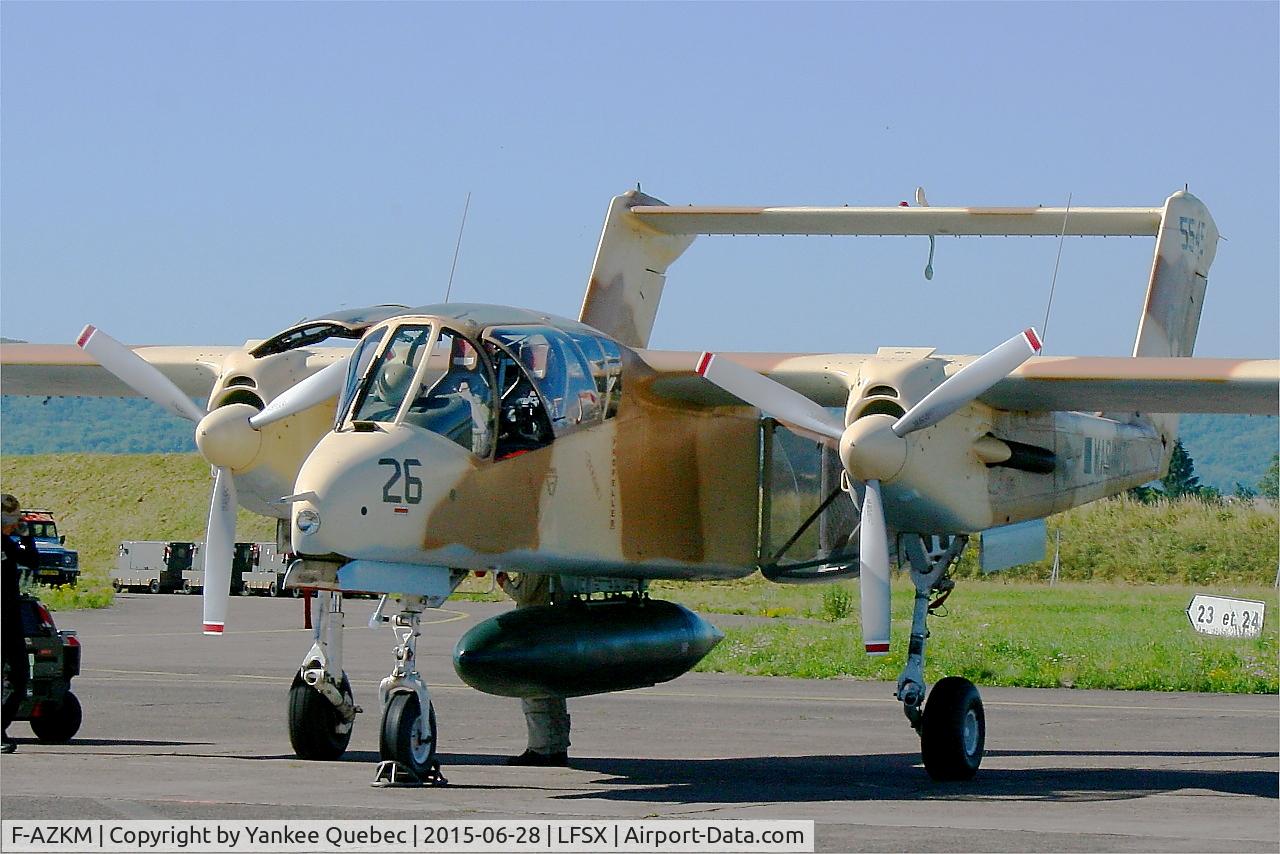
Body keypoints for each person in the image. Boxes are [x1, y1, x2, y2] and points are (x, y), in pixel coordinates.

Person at [495, 571, 570, 766]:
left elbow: (524, 595)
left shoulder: (535, 565)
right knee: (555, 693)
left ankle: (540, 749)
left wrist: (505, 583)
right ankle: (557, 747)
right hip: (552, 626)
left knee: (533, 692)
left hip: (534, 626)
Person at [2, 493, 39, 754]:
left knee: (18, 675)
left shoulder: (7, 543)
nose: (14, 525)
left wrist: (26, 537)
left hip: (10, 617)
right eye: (10, 521)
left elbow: (31, 561)